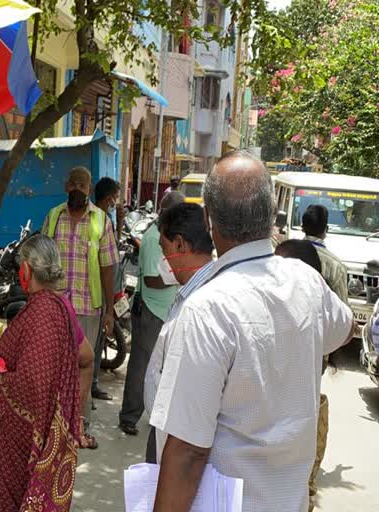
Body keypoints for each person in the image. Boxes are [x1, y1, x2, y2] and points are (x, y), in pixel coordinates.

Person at [150, 152, 354, 512]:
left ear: (209, 219)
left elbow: (187, 452)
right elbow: (347, 327)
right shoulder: (306, 282)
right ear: (272, 214)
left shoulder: (207, 308)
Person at [0, 234, 83, 512]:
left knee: (1, 499)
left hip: (20, 433)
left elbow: (32, 381)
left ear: (26, 270)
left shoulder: (42, 311)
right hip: (31, 426)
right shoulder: (54, 306)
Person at [142, 203, 214, 463]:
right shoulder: (189, 292)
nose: (163, 260)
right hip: (166, 431)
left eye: (164, 249)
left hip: (178, 442)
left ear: (181, 245)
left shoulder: (204, 303)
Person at [43, 167, 118, 411]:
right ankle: (53, 420)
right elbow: (42, 260)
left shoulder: (101, 220)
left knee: (82, 367)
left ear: (89, 188)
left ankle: (79, 423)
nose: (77, 189)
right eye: (73, 183)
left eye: (83, 185)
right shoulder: (53, 216)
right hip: (56, 307)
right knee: (54, 365)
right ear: (67, 186)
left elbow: (108, 267)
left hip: (88, 307)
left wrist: (109, 310)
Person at [288, 206, 347, 512]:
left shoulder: (284, 255)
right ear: (326, 229)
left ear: (302, 225)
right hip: (315, 353)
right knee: (307, 406)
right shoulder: (335, 266)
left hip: (279, 348)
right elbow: (343, 320)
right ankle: (305, 477)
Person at [118, 191, 184, 435]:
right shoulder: (153, 238)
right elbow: (152, 280)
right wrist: (178, 275)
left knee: (161, 367)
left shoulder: (166, 235)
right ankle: (129, 416)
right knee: (141, 367)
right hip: (150, 309)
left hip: (163, 309)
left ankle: (154, 413)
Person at [90, 176, 123, 401]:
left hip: (99, 292)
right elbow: (107, 266)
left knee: (96, 342)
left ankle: (92, 383)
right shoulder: (100, 220)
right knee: (93, 343)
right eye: (115, 197)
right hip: (96, 293)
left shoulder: (105, 219)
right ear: (110, 197)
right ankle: (90, 385)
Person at [302, 205, 348, 302]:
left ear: (302, 228)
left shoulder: (286, 256)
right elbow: (343, 309)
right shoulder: (336, 266)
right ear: (326, 229)